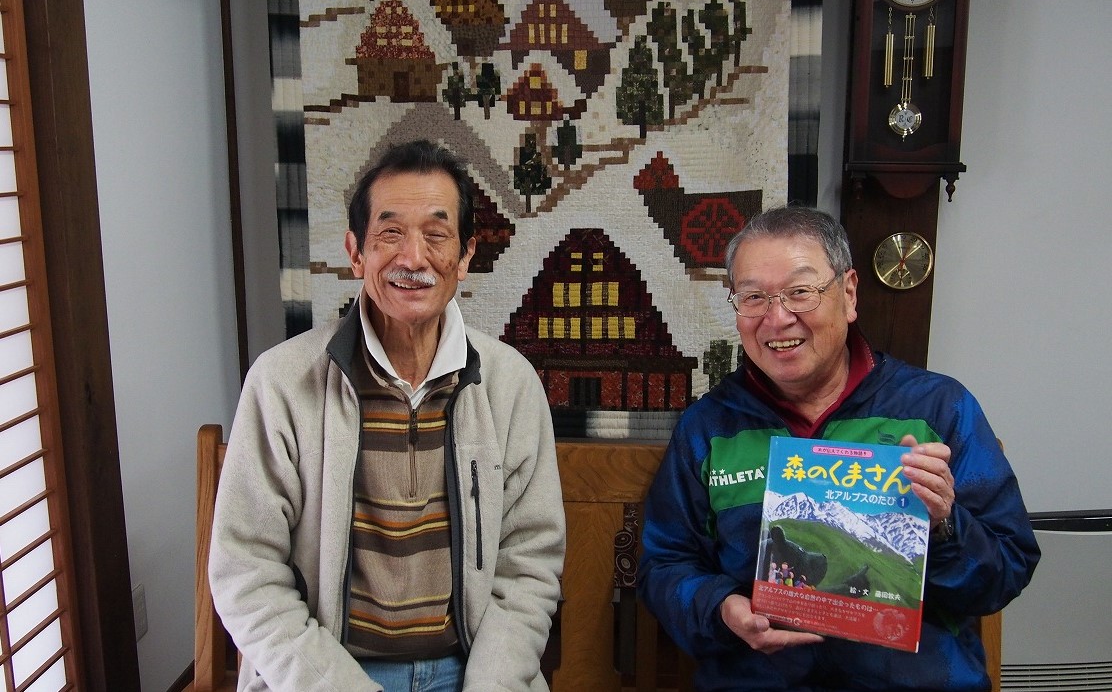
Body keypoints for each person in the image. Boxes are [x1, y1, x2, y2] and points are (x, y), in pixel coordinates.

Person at [209, 139, 565, 692]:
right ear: (356, 253)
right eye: (390, 233)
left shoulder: (510, 384)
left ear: (465, 256)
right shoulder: (282, 383)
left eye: (436, 235)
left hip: (470, 670)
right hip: (328, 671)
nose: (413, 258)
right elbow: (245, 571)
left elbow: (529, 566)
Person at [637, 205, 1039, 691]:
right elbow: (663, 565)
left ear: (848, 294)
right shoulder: (709, 428)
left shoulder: (938, 409)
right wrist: (720, 609)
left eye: (800, 292)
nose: (777, 318)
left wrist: (945, 525)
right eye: (753, 297)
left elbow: (1007, 570)